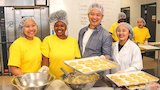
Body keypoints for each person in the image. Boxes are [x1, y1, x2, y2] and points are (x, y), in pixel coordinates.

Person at [41, 10, 81, 79]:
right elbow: (45, 62)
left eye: (62, 26)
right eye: (56, 26)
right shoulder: (47, 40)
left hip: (70, 79)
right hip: (52, 79)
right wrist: (44, 71)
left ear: (66, 27)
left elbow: (77, 61)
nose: (59, 28)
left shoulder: (73, 41)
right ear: (54, 27)